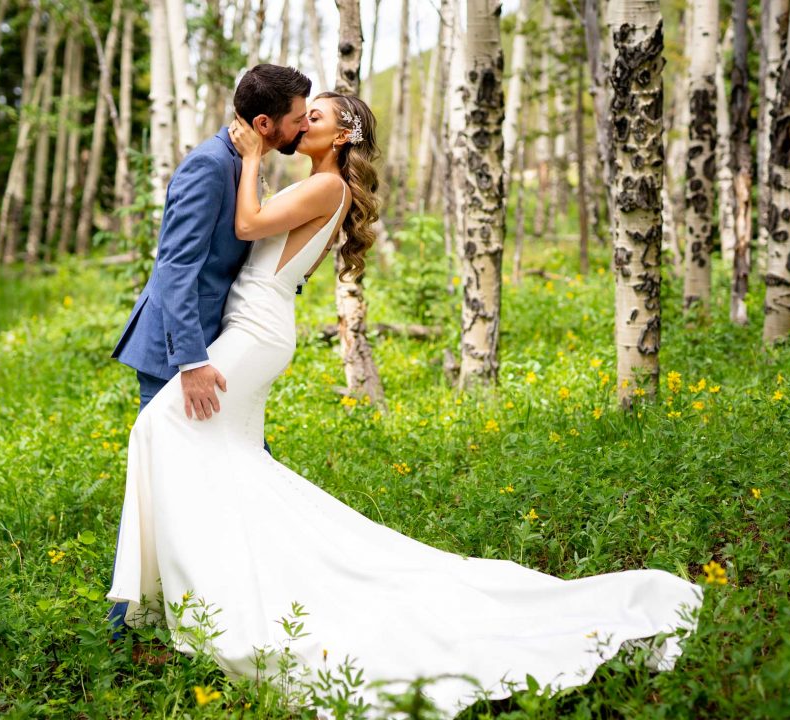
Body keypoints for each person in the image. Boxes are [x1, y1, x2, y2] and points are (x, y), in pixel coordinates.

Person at [106, 93, 704, 716]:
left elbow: (247, 226)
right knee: (228, 463)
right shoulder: (319, 184)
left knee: (160, 429)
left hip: (255, 334)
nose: (303, 124)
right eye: (301, 115)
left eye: (316, 118)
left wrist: (252, 155)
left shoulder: (327, 187)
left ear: (341, 138)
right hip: (251, 327)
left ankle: (191, 602)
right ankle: (211, 590)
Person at [106, 64, 313, 639]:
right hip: (177, 352)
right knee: (164, 483)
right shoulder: (208, 166)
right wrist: (192, 362)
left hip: (219, 348)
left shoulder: (248, 164)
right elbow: (174, 271)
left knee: (245, 470)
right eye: (298, 120)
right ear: (267, 123)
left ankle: (247, 607)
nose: (303, 128)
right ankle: (125, 630)